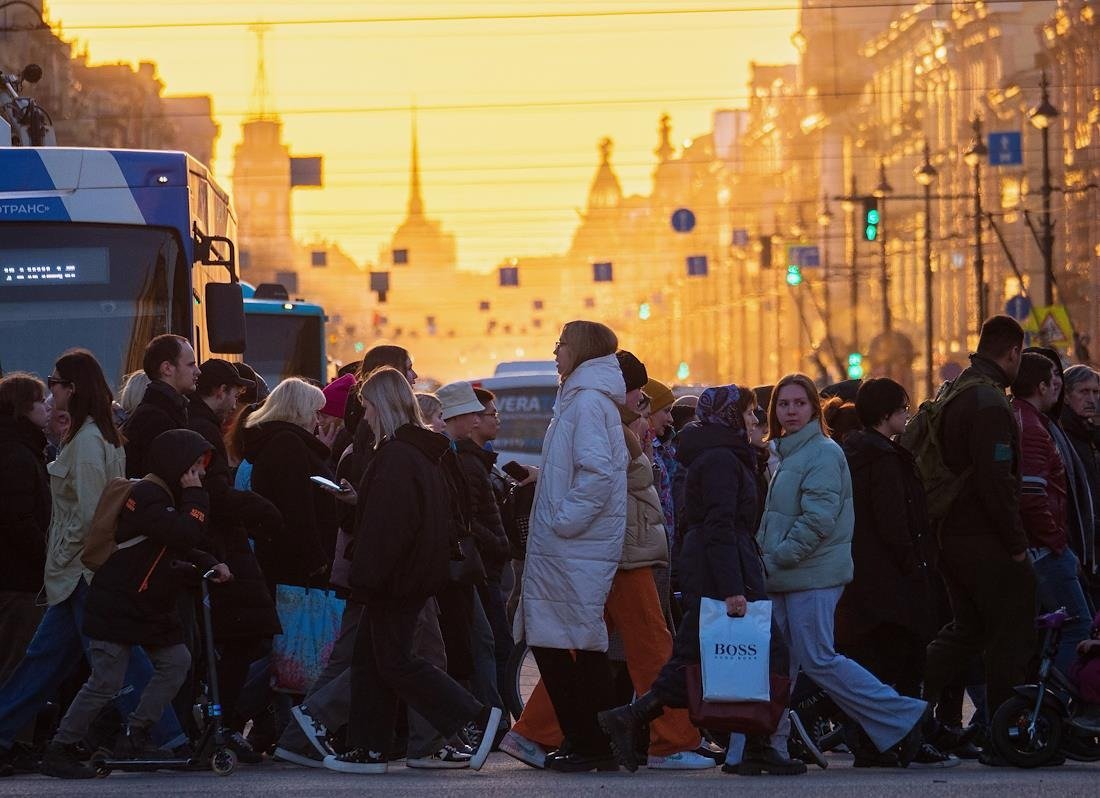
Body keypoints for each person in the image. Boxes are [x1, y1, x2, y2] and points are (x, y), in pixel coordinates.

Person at [0, 350, 184, 775]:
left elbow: (88, 517)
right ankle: (163, 739)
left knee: (94, 658)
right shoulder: (98, 436)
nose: (52, 390)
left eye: (57, 382)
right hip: (83, 570)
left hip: (83, 568)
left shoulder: (85, 443)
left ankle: (162, 738)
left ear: (74, 388)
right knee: (71, 659)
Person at [599, 385, 786, 774]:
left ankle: (636, 716)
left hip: (718, 562)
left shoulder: (721, 453)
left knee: (694, 655)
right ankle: (752, 745)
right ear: (731, 416)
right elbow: (720, 525)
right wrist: (734, 588)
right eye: (750, 413)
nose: (755, 420)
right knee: (768, 651)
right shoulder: (720, 458)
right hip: (723, 566)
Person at [324, 367, 502, 774]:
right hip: (411, 574)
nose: (364, 415)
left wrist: (365, 577)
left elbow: (388, 528)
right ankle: (368, 748)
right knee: (373, 662)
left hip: (395, 578)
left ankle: (473, 715)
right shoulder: (421, 452)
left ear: (381, 407)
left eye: (367, 406)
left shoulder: (397, 456)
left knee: (396, 661)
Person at [757, 374, 930, 768]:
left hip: (811, 574)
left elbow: (817, 521)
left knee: (818, 659)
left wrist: (776, 556)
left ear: (815, 409)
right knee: (782, 665)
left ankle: (903, 712)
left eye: (800, 403)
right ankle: (773, 746)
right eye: (784, 404)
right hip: (785, 574)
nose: (791, 411)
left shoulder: (822, 453)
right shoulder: (787, 454)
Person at [40, 430, 233, 779]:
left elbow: (173, 544)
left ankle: (137, 733)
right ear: (175, 464)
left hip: (147, 604)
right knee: (106, 679)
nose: (199, 475)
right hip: (118, 602)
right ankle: (61, 747)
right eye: (193, 467)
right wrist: (195, 497)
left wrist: (208, 562)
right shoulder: (146, 496)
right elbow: (184, 532)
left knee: (177, 661)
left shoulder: (164, 498)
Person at [920, 316, 1037, 767]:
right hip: (984, 539)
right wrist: (1015, 543)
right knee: (1011, 632)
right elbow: (996, 481)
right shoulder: (988, 402)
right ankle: (1006, 730)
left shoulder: (959, 390)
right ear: (1012, 353)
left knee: (967, 630)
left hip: (953, 534)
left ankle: (903, 702)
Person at [516, 320, 627, 772]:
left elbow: (598, 474)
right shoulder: (580, 399)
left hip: (573, 546)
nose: (555, 351)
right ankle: (594, 740)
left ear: (580, 350)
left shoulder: (585, 403)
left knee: (562, 645)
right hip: (568, 547)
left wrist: (562, 521)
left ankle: (593, 742)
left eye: (561, 343)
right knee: (567, 643)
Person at [833, 378, 945, 766]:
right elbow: (895, 521)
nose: (907, 415)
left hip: (865, 576)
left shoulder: (856, 453)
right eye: (903, 409)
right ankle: (903, 735)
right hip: (893, 578)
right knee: (903, 660)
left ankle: (873, 738)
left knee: (873, 662)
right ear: (886, 415)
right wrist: (916, 564)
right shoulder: (883, 459)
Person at [185, 359, 283, 761]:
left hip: (220, 545)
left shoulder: (199, 422)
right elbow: (217, 495)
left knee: (232, 640)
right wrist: (262, 509)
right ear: (222, 391)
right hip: (222, 549)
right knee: (243, 637)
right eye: (235, 395)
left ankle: (219, 720)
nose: (236, 405)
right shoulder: (204, 426)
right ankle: (220, 723)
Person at [1010, 353, 1092, 672]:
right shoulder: (1030, 426)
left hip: (1039, 547)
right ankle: (1059, 702)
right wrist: (1057, 543)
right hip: (1045, 550)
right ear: (1041, 386)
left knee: (1053, 630)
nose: (1057, 384)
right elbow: (1031, 496)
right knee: (1077, 626)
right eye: (1052, 379)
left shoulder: (1027, 418)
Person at [241, 378, 339, 591]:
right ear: (300, 411)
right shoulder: (288, 444)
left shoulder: (276, 441)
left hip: (283, 558)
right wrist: (316, 559)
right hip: (298, 566)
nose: (317, 421)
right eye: (315, 412)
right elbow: (297, 506)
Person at [0, 374, 51, 686]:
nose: (46, 406)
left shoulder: (21, 448)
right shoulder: (16, 455)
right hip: (20, 580)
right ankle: (12, 731)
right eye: (38, 400)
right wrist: (47, 555)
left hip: (17, 577)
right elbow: (18, 520)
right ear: (22, 409)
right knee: (17, 664)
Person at [122, 334, 200, 478]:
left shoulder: (161, 411)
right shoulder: (155, 419)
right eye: (191, 364)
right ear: (167, 368)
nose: (198, 371)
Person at [1061, 364, 1100, 600]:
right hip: (1078, 546)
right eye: (1083, 392)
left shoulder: (1090, 435)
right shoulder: (1064, 435)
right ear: (1066, 396)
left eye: (1096, 392)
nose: (1092, 399)